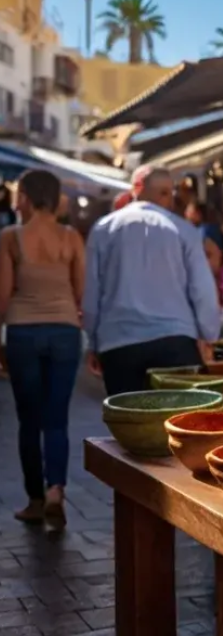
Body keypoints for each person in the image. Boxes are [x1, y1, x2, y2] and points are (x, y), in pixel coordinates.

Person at [83, 166, 222, 396]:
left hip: (119, 342)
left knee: (131, 424)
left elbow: (92, 292)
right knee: (177, 422)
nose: (169, 199)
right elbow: (202, 290)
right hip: (175, 341)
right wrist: (209, 336)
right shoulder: (183, 230)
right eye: (167, 193)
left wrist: (93, 340)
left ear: (135, 190)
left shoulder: (103, 230)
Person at [0, 170, 85, 530]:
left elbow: (3, 295)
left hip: (22, 331)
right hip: (65, 331)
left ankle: (35, 500)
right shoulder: (71, 237)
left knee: (28, 420)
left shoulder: (10, 237)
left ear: (28, 198)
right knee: (57, 417)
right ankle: (56, 490)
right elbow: (80, 291)